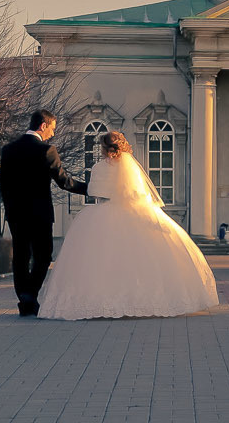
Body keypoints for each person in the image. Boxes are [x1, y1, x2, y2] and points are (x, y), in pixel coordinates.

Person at [39, 131, 217, 320]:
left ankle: (103, 302)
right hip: (134, 212)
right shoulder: (131, 166)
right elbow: (140, 194)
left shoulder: (100, 167)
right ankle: (143, 300)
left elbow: (95, 191)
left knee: (102, 260)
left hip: (103, 213)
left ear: (104, 148)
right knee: (140, 259)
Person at [0, 110, 89, 316]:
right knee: (43, 256)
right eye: (52, 129)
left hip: (16, 214)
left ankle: (24, 299)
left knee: (21, 256)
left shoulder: (8, 150)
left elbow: (4, 185)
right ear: (43, 126)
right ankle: (30, 294)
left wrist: (11, 208)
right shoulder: (47, 150)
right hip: (40, 214)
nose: (53, 134)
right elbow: (64, 181)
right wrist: (91, 188)